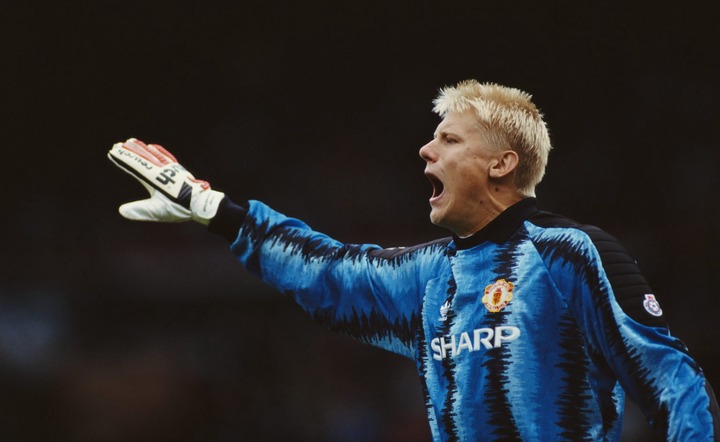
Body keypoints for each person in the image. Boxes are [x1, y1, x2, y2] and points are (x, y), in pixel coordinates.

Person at [108, 80, 719, 441]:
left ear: (502, 163)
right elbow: (328, 271)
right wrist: (218, 211)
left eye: (449, 139)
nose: (426, 149)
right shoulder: (429, 276)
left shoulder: (568, 255)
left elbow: (674, 385)